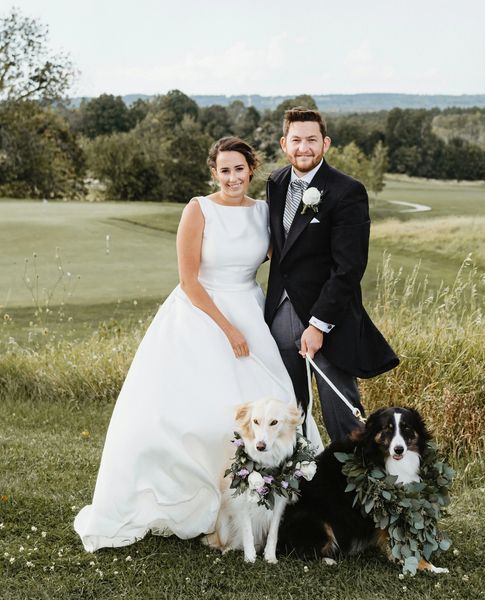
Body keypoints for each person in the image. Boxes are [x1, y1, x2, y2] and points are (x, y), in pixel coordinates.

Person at [74, 137, 322, 552]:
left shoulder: (262, 212)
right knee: (195, 415)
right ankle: (203, 507)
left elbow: (283, 256)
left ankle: (270, 508)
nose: (232, 178)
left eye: (239, 169)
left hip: (249, 310)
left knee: (271, 403)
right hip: (200, 315)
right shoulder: (198, 209)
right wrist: (228, 330)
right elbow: (189, 281)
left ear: (251, 169)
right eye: (224, 170)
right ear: (214, 173)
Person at [266, 107, 399, 443]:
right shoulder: (276, 183)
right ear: (284, 143)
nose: (304, 147)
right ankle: (296, 484)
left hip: (329, 320)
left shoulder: (347, 190)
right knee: (288, 413)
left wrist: (319, 324)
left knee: (342, 416)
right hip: (279, 314)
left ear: (325, 143)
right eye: (296, 140)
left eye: (312, 139)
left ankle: (357, 487)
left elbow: (349, 267)